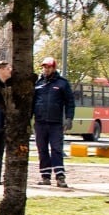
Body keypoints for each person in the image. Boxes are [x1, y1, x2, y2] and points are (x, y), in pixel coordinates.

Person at [32, 57, 76, 187]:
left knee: (56, 149)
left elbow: (70, 102)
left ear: (54, 68)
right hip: (40, 122)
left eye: (49, 67)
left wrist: (69, 118)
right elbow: (32, 102)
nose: (46, 69)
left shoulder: (62, 83)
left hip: (55, 123)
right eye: (44, 67)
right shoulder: (37, 83)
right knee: (42, 150)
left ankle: (60, 176)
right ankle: (45, 176)